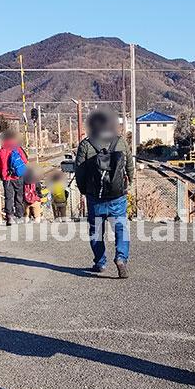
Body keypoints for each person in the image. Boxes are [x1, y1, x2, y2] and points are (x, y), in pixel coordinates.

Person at [74, 109, 134, 278]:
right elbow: (130, 166)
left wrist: (83, 190)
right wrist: (129, 183)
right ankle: (121, 258)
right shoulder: (120, 142)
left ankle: (100, 263)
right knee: (121, 228)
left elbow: (79, 171)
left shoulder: (86, 144)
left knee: (96, 230)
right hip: (117, 195)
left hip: (95, 196)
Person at [0, 129, 28, 224]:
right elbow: (25, 161)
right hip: (18, 176)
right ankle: (20, 216)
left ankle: (10, 217)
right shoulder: (18, 148)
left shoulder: (1, 151)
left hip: (7, 178)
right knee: (19, 196)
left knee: (8, 198)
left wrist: (2, 176)